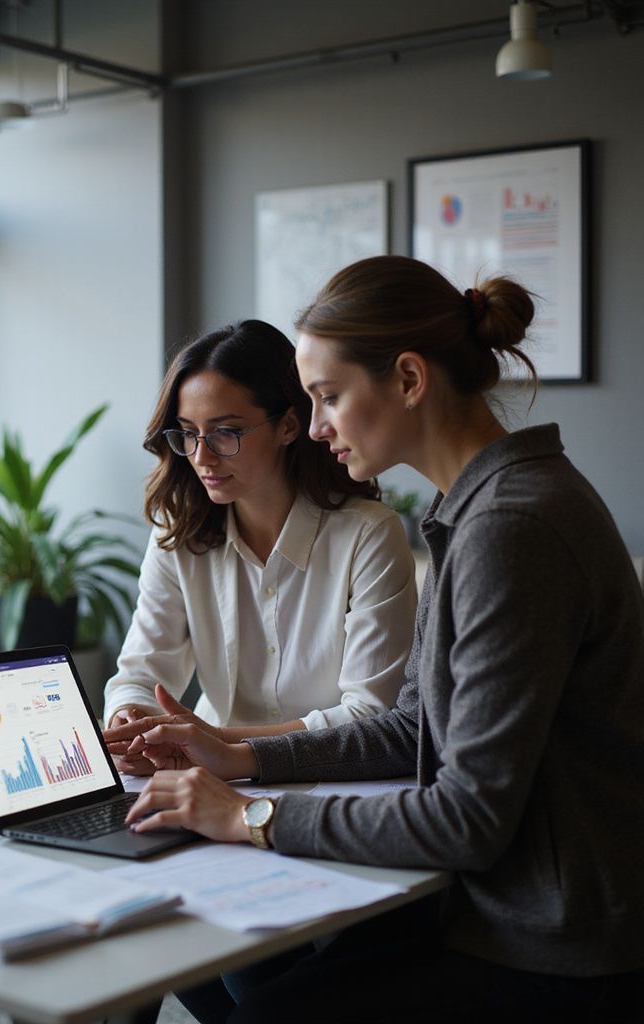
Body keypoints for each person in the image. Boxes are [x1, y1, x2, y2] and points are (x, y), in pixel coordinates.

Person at [123, 258, 644, 1021]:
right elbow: (417, 728)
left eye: (328, 396)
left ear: (407, 378)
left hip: (556, 945)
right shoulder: (479, 509)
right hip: (498, 908)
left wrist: (249, 814)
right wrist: (244, 755)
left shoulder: (510, 526)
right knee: (212, 961)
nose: (318, 424)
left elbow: (467, 818)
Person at [103, 319, 417, 778]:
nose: (202, 457)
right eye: (187, 433)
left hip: (337, 781)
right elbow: (139, 673)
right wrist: (128, 722)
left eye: (225, 433)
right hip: (204, 775)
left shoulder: (369, 535)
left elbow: (372, 716)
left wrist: (211, 739)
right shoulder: (179, 533)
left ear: (289, 425)